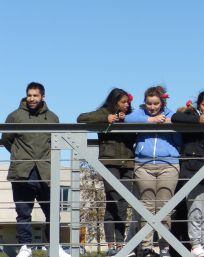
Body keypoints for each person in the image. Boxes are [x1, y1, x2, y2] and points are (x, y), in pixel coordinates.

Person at [0, 82, 69, 257]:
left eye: (35, 95)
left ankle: (55, 246)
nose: (31, 98)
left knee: (53, 212)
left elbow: (56, 142)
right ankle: (25, 247)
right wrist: (18, 154)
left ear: (42, 97)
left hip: (46, 171)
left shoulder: (53, 118)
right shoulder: (14, 116)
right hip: (22, 171)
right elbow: (6, 139)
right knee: (23, 213)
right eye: (29, 95)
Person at [76, 88, 136, 256]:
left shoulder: (130, 115)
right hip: (109, 161)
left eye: (128, 102)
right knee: (114, 198)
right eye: (123, 102)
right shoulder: (104, 112)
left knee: (122, 203)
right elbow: (81, 118)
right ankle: (112, 245)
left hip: (128, 163)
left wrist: (127, 121)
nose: (126, 105)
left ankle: (120, 245)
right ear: (114, 101)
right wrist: (106, 119)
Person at [124, 86, 182, 257]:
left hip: (168, 164)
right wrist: (151, 121)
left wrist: (170, 125)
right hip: (143, 164)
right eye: (149, 103)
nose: (152, 107)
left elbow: (179, 139)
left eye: (156, 103)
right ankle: (146, 246)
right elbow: (127, 120)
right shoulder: (140, 115)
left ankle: (164, 246)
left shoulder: (171, 115)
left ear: (162, 102)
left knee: (165, 207)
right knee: (146, 207)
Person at [171, 91, 204, 257]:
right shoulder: (189, 114)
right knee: (195, 209)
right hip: (193, 169)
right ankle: (195, 245)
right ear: (198, 105)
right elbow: (175, 118)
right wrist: (197, 120)